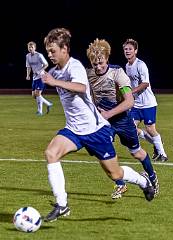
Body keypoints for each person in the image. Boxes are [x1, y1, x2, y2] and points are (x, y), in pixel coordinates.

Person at [41, 28, 155, 223]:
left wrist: (54, 82)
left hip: (96, 130)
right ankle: (62, 205)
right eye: (48, 51)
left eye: (52, 50)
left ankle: (144, 182)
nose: (49, 55)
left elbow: (81, 87)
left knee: (115, 173)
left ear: (65, 49)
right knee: (51, 153)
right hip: (73, 130)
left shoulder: (74, 66)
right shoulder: (54, 72)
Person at [86, 38, 159, 199]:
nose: (98, 67)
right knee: (105, 153)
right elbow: (90, 96)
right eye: (95, 64)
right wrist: (95, 109)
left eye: (101, 63)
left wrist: (108, 113)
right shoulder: (88, 74)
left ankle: (152, 176)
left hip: (123, 120)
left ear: (107, 58)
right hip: (105, 123)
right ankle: (121, 184)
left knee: (137, 153)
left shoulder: (118, 73)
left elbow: (129, 101)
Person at [123, 38, 168, 162]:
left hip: (148, 103)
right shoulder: (127, 66)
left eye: (130, 49)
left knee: (150, 129)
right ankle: (156, 141)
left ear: (135, 51)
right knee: (131, 128)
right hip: (136, 104)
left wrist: (130, 92)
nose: (127, 51)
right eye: (125, 49)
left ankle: (162, 154)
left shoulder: (141, 65)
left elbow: (145, 83)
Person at [26, 41, 53, 115]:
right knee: (34, 96)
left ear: (35, 48)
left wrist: (39, 70)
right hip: (35, 77)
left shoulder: (39, 55)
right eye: (29, 47)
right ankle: (48, 104)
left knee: (37, 94)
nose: (30, 48)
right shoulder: (27, 56)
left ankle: (40, 111)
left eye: (32, 47)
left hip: (41, 76)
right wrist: (28, 75)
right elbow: (28, 67)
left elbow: (46, 64)